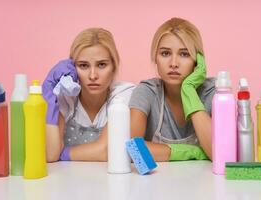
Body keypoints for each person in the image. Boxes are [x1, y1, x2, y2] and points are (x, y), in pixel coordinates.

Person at [42, 28, 135, 162]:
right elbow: (50, 155)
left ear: (114, 66)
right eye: (83, 66)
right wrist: (49, 96)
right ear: (72, 69)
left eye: (101, 65)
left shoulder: (124, 95)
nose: (93, 76)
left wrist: (62, 154)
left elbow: (108, 150)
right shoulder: (65, 98)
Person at [130, 17, 215, 161]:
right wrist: (189, 152)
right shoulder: (147, 92)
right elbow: (132, 150)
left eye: (184, 54)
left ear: (197, 60)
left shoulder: (213, 93)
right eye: (165, 53)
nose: (174, 63)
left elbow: (221, 156)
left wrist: (188, 90)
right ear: (155, 58)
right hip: (157, 181)